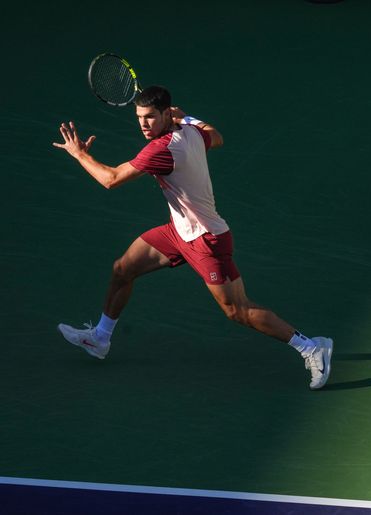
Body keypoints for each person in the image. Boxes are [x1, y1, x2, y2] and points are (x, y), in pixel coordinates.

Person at [52, 85, 333, 390]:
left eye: (149, 117)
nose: (143, 124)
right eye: (139, 117)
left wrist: (79, 154)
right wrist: (187, 118)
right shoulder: (192, 131)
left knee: (236, 310)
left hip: (206, 240)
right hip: (177, 232)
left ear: (164, 114)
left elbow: (112, 179)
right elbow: (217, 135)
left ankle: (311, 346)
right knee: (123, 269)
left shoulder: (162, 149)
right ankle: (101, 339)